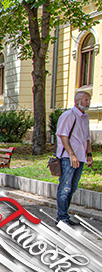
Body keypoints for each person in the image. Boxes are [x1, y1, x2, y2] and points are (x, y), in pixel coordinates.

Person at [55, 91, 93, 226]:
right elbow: (62, 135)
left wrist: (89, 154)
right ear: (77, 101)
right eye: (86, 100)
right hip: (68, 158)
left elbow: (87, 137)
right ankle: (61, 218)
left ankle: (64, 215)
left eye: (89, 100)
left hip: (80, 158)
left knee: (72, 188)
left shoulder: (85, 117)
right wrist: (71, 154)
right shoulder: (69, 115)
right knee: (65, 188)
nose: (88, 102)